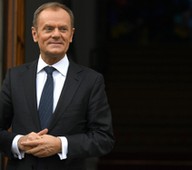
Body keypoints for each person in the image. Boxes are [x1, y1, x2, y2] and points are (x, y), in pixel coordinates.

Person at [0, 2, 114, 170]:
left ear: (71, 35)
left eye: (63, 29)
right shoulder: (15, 77)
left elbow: (104, 138)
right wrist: (19, 142)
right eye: (48, 28)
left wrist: (61, 144)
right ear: (34, 34)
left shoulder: (91, 81)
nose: (56, 34)